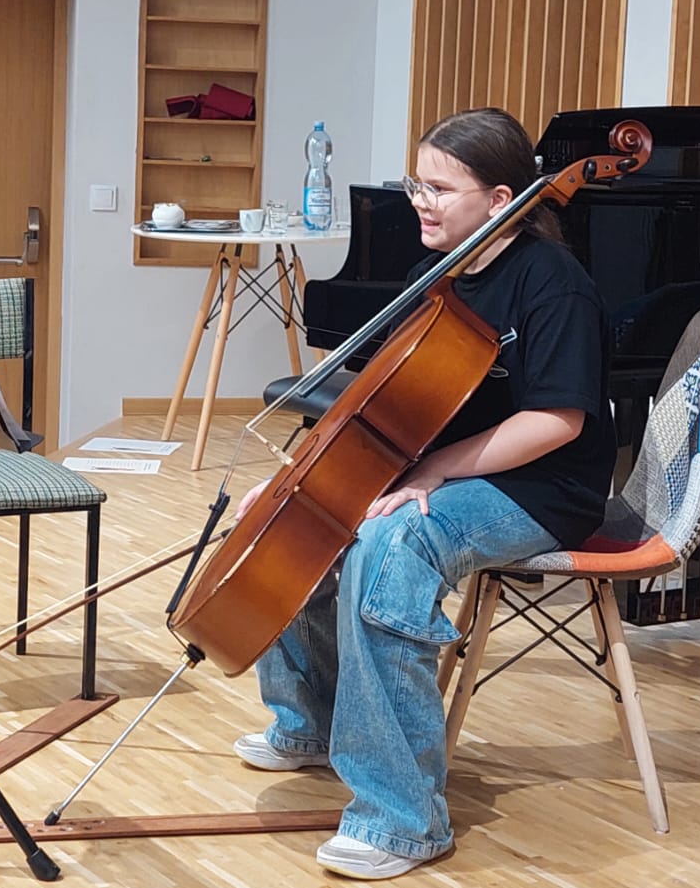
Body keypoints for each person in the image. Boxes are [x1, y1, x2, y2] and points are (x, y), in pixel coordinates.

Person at [231, 107, 615, 879]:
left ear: (501, 199)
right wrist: (296, 477)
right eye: (417, 183)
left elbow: (557, 421)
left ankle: (403, 817)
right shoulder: (430, 280)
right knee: (300, 519)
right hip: (445, 471)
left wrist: (437, 470)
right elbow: (374, 410)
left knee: (388, 545)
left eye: (440, 188)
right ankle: (308, 723)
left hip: (542, 487)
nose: (420, 202)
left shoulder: (552, 283)